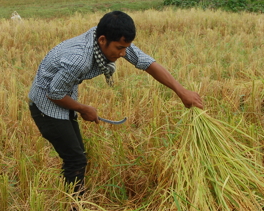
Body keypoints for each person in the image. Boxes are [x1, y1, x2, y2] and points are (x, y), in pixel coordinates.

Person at [28, 11, 203, 195]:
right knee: (75, 159)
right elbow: (54, 94)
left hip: (63, 97)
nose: (123, 53)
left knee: (77, 154)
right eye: (119, 48)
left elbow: (147, 63)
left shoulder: (109, 38)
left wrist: (181, 91)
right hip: (46, 107)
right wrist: (83, 109)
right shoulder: (79, 59)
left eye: (126, 47)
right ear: (102, 40)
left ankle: (73, 199)